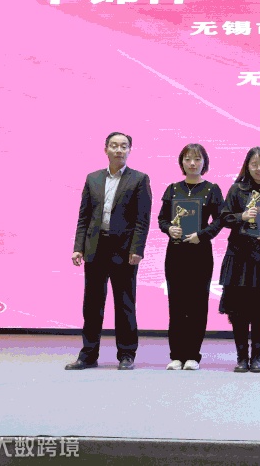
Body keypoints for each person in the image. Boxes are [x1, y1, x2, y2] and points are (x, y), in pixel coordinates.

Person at [66, 131, 152, 370]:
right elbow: (84, 216)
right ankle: (88, 355)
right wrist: (78, 247)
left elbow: (142, 219)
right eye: (114, 146)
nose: (119, 150)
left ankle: (126, 354)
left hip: (124, 251)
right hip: (95, 248)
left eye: (124, 146)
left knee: (125, 303)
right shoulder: (93, 178)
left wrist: (137, 249)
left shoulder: (139, 179)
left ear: (129, 150)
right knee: (92, 304)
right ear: (106, 150)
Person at [218, 147, 260, 373]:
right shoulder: (237, 189)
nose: (259, 169)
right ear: (247, 166)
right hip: (239, 255)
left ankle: (257, 356)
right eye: (254, 164)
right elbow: (224, 218)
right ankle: (241, 357)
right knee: (238, 310)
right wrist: (242, 216)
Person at [156, 143, 225, 370]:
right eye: (187, 159)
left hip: (200, 252)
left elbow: (220, 220)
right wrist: (169, 229)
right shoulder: (173, 189)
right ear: (181, 162)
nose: (192, 163)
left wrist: (202, 235)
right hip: (176, 252)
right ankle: (176, 355)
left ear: (204, 162)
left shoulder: (212, 189)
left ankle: (193, 355)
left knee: (197, 304)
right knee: (176, 303)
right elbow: (162, 219)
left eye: (197, 159)